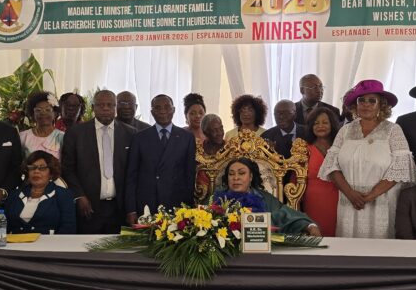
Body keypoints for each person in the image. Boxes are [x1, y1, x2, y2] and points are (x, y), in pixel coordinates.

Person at [319, 79, 415, 239]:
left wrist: (370, 196)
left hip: (381, 203)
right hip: (349, 202)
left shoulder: (393, 130)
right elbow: (332, 165)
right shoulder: (345, 131)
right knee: (349, 247)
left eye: (372, 100)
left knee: (380, 247)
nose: (366, 104)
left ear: (381, 105)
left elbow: (400, 167)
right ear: (355, 105)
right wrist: (350, 194)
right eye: (361, 100)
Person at [60, 89, 135, 234]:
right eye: (101, 105)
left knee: (118, 248)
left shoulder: (130, 133)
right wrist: (79, 195)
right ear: (93, 107)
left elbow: (134, 172)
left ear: (116, 107)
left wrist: (131, 207)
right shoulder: (76, 133)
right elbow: (68, 169)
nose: (105, 108)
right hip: (88, 207)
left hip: (120, 208)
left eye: (110, 105)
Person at [125, 94, 197, 223]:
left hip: (176, 204)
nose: (163, 111)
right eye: (158, 108)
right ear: (152, 112)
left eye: (167, 107)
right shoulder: (140, 138)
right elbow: (131, 176)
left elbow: (190, 176)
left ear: (173, 110)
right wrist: (131, 209)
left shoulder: (187, 138)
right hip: (147, 204)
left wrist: (188, 208)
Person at [214, 158, 321, 236]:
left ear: (250, 177)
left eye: (241, 173)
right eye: (231, 174)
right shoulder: (216, 199)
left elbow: (285, 215)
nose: (236, 178)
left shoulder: (264, 198)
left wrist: (310, 226)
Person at [2, 152, 76, 235]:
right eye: (32, 167)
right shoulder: (15, 195)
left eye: (42, 168)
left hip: (49, 242)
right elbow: (4, 226)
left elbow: (68, 228)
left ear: (51, 173)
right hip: (14, 242)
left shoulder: (63, 195)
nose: (36, 171)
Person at [301, 106, 341, 237]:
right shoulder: (304, 149)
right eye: (316, 123)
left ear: (332, 125)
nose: (320, 126)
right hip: (313, 202)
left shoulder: (341, 147)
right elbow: (295, 181)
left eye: (325, 122)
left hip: (340, 201)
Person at [20, 91, 65, 159]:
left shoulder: (62, 137)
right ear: (32, 114)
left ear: (55, 114)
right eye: (38, 110)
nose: (43, 113)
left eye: (48, 110)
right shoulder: (23, 136)